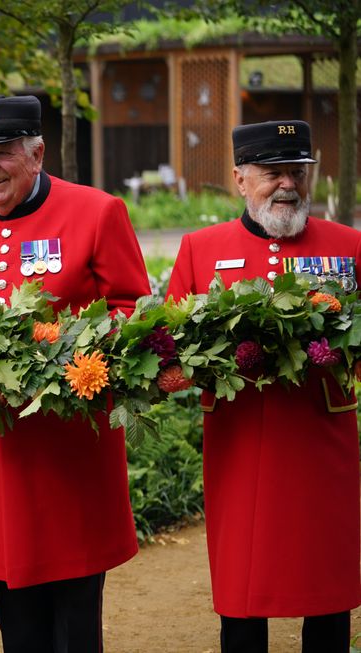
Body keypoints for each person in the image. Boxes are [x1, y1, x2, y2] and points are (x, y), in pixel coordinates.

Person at [0, 95, 149, 653]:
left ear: (37, 152)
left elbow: (133, 309)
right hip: (1, 453)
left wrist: (70, 352)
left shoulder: (96, 211)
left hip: (73, 450)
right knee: (14, 611)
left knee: (75, 618)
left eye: (1, 154)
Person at [167, 120, 361, 653]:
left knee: (325, 584)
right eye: (273, 173)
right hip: (240, 444)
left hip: (321, 444)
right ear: (239, 178)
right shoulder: (200, 249)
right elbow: (173, 343)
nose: (288, 185)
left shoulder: (349, 246)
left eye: (297, 172)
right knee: (243, 587)